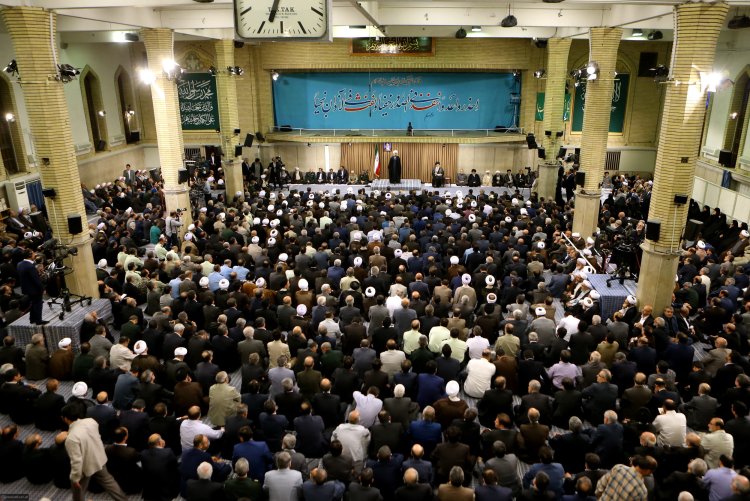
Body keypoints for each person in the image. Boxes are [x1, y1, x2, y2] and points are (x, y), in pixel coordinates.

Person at [61, 403, 128, 501]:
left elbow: (76, 461)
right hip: (99, 458)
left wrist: (75, 478)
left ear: (65, 418)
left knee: (79, 491)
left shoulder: (71, 438)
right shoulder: (91, 421)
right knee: (110, 483)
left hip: (85, 467)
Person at [17, 249, 46, 325]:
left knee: (33, 303)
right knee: (38, 304)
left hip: (26, 289)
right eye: (33, 253)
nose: (35, 254)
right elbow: (36, 280)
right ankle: (38, 321)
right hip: (34, 289)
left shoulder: (19, 264)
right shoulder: (30, 266)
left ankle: (32, 319)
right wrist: (42, 289)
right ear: (29, 255)